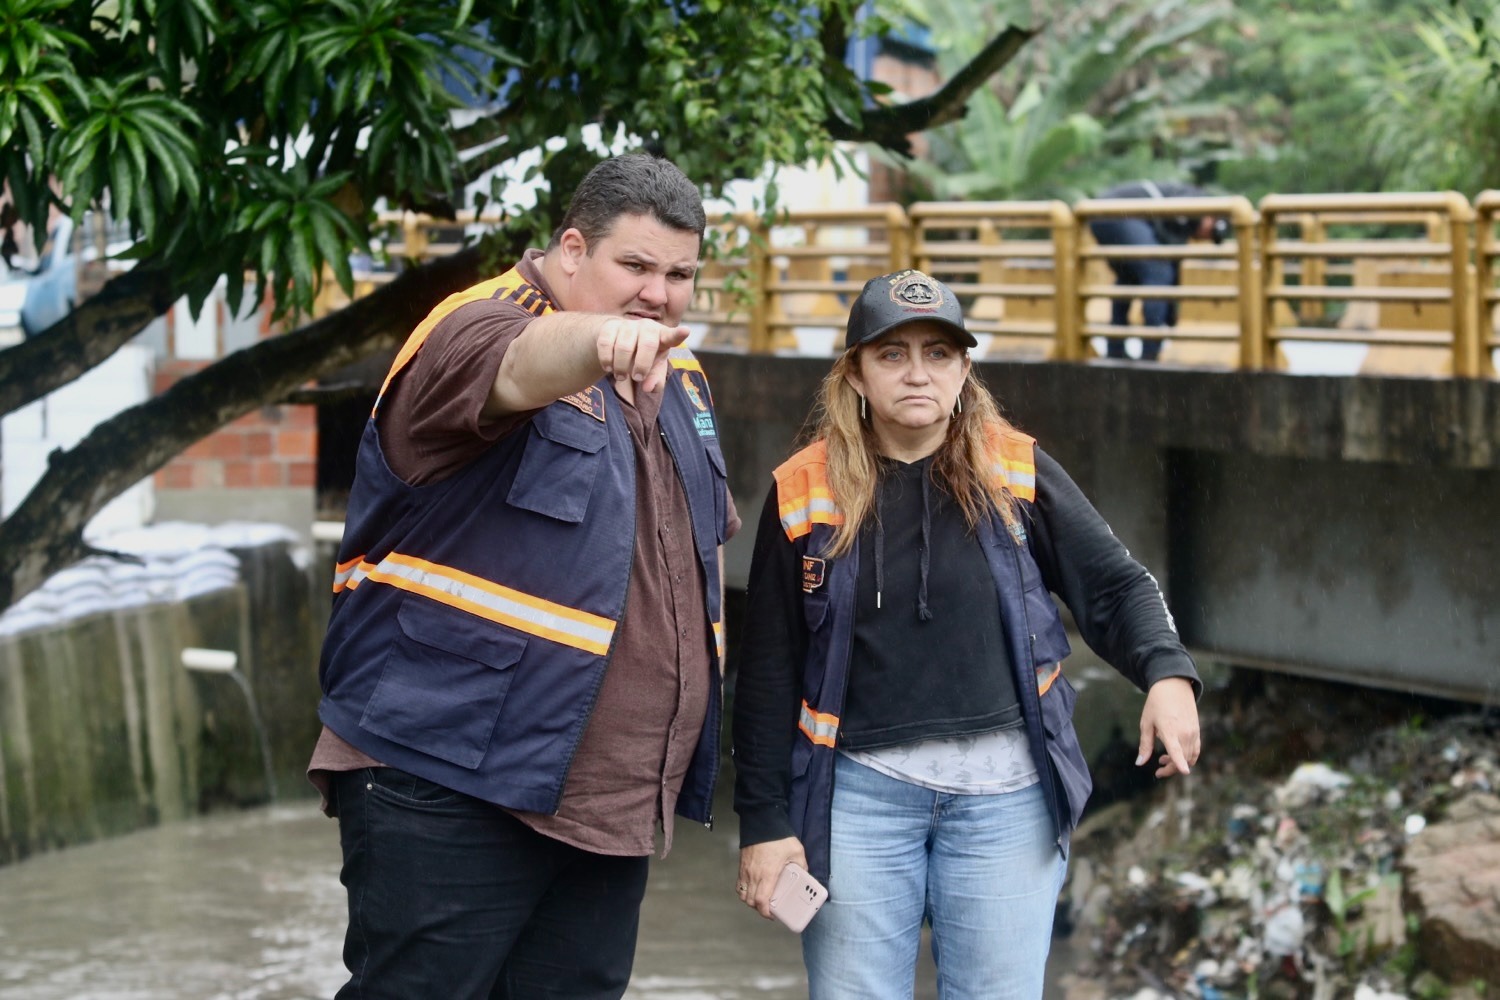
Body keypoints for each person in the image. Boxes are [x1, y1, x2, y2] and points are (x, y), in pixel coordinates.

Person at [310, 153, 739, 999]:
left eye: (680, 274)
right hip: (451, 780)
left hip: (607, 807)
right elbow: (522, 365)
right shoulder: (475, 326)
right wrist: (597, 339)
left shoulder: (680, 374)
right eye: (637, 266)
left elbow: (700, 563)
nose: (658, 293)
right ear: (572, 250)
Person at [730, 269, 1201, 999]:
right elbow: (767, 670)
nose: (918, 372)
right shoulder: (804, 488)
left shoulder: (1011, 468)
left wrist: (1167, 677)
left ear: (964, 369)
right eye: (892, 354)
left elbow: (1115, 585)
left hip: (1007, 800)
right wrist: (764, 824)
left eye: (939, 353)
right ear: (854, 371)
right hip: (858, 799)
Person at [1089, 179, 1226, 360]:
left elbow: (1174, 265)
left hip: (1102, 215)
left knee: (1129, 276)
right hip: (1120, 213)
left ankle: (1116, 351)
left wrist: (1170, 314)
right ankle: (1150, 354)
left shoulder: (1181, 224)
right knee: (1157, 272)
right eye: (1212, 233)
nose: (1205, 238)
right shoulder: (1195, 203)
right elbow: (1165, 272)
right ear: (1211, 218)